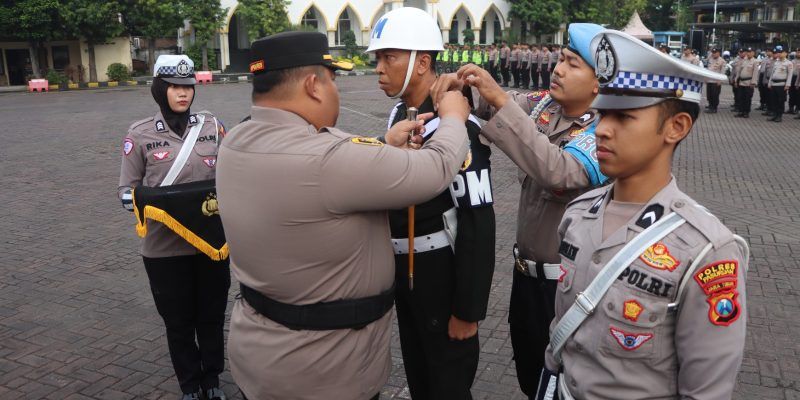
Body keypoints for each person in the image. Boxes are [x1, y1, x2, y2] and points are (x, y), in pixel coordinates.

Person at [216, 31, 472, 400]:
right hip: (325, 372)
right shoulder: (327, 159)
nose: (336, 90)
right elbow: (434, 169)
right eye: (332, 80)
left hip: (259, 355)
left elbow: (314, 179)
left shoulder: (236, 141)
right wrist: (453, 117)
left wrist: (384, 146)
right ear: (313, 86)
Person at [539, 29, 748, 400]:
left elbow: (706, 392)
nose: (602, 130)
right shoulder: (577, 216)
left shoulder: (706, 251)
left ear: (676, 127)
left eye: (624, 117)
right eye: (602, 113)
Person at [432, 23, 608, 400]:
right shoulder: (547, 104)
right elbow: (494, 102)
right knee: (532, 379)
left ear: (599, 82)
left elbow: (558, 171)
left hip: (568, 288)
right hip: (527, 279)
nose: (558, 69)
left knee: (564, 386)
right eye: (560, 59)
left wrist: (498, 98)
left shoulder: (603, 130)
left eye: (572, 64)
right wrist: (463, 84)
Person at [366, 8, 496, 399]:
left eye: (389, 57)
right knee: (422, 382)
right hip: (407, 277)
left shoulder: (457, 127)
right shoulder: (400, 115)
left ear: (423, 62)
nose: (378, 68)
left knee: (448, 387)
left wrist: (468, 310)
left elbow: (478, 220)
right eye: (378, 58)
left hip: (443, 275)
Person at [118, 54, 230, 400]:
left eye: (188, 87)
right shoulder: (139, 135)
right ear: (159, 88)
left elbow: (230, 178)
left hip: (211, 245)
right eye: (175, 87)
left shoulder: (212, 128)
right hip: (164, 250)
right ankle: (190, 385)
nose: (183, 94)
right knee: (179, 322)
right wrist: (166, 205)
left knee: (211, 317)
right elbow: (126, 193)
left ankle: (212, 380)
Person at [767, 45, 793, 122]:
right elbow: (772, 73)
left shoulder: (788, 63)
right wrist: (769, 83)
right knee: (774, 101)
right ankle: (774, 115)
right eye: (778, 52)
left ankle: (779, 116)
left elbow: (790, 75)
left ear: (785, 53)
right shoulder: (776, 62)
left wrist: (787, 85)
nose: (778, 54)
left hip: (782, 85)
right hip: (774, 84)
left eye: (780, 52)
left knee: (780, 101)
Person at [734, 47, 759, 118]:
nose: (748, 53)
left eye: (750, 52)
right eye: (747, 52)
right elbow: (739, 71)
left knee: (747, 98)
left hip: (749, 82)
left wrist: (753, 82)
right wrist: (736, 80)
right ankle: (740, 111)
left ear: (753, 53)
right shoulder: (744, 60)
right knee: (740, 97)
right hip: (741, 82)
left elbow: (755, 73)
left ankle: (746, 112)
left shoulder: (755, 62)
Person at [705, 48, 726, 113]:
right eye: (713, 53)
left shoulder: (722, 61)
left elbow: (722, 72)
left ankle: (714, 108)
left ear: (719, 53)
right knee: (709, 95)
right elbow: (708, 69)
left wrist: (720, 80)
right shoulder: (710, 59)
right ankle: (710, 106)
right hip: (709, 80)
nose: (713, 54)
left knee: (715, 95)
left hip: (716, 81)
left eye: (715, 52)